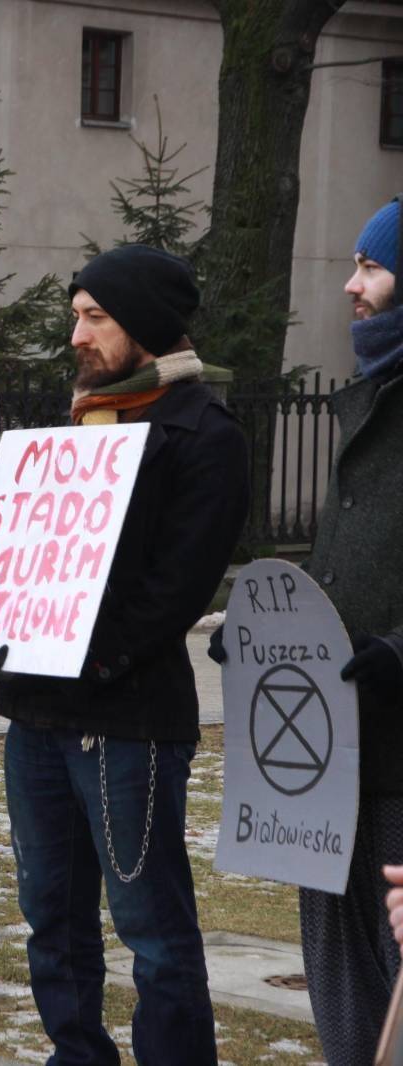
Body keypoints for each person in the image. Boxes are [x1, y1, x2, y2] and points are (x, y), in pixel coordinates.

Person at [0, 245, 249, 1065]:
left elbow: (179, 587)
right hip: (35, 712)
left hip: (125, 725)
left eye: (94, 318)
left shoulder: (202, 433)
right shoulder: (81, 424)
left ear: (146, 326)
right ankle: (77, 1054)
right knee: (50, 917)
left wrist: (88, 658)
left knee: (152, 931)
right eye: (74, 316)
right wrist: (1, 623)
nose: (77, 336)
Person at [267, 198, 403, 1066]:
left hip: (398, 757)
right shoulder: (368, 398)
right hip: (331, 753)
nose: (351, 286)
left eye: (371, 267)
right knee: (342, 978)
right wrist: (267, 639)